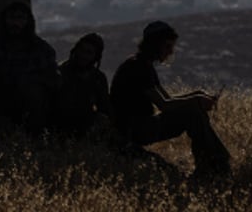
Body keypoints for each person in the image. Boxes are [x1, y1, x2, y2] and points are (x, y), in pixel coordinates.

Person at [109, 20, 231, 178]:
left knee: (193, 112)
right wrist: (196, 100)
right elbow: (165, 105)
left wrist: (197, 94)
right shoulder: (138, 68)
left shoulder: (142, 64)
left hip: (139, 125)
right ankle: (215, 165)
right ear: (154, 45)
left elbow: (167, 99)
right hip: (134, 129)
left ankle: (215, 163)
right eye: (167, 46)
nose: (170, 51)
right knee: (192, 115)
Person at [0, 0, 59, 133]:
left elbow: (52, 81)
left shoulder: (42, 50)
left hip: (33, 105)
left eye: (20, 18)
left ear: (28, 21)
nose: (15, 23)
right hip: (3, 101)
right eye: (11, 18)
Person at [54, 32, 113, 137]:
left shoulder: (97, 78)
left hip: (86, 124)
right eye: (81, 50)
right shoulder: (60, 72)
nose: (83, 56)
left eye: (89, 53)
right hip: (59, 124)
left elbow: (104, 108)